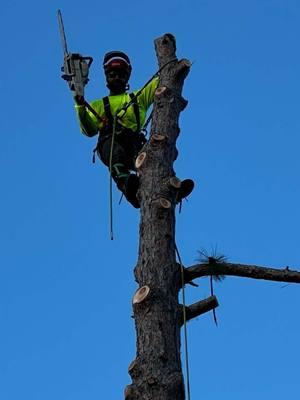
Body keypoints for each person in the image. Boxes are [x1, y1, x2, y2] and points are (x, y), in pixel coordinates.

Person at [74, 51, 193, 208]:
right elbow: (88, 130)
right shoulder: (99, 105)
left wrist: (173, 67)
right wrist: (80, 104)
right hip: (110, 143)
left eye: (121, 74)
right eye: (113, 74)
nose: (117, 77)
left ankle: (170, 187)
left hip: (134, 144)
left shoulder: (137, 98)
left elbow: (162, 80)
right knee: (115, 154)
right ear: (107, 76)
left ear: (127, 76)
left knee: (155, 157)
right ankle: (128, 185)